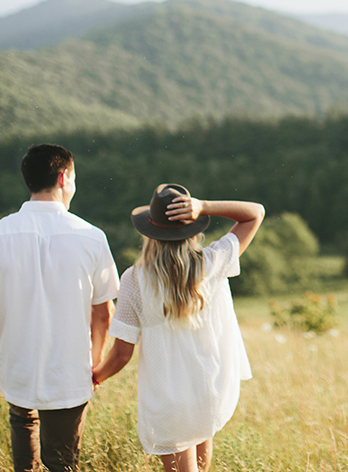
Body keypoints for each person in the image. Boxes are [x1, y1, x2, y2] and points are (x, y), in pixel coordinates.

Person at [0, 143, 120, 472]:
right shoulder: (92, 236)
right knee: (61, 462)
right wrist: (94, 363)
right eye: (73, 178)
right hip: (69, 372)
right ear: (63, 177)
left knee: (23, 432)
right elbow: (103, 314)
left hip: (18, 369)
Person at [93, 183, 264, 472]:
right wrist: (205, 205)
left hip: (170, 399)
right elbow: (254, 213)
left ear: (150, 232)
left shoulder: (135, 280)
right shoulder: (213, 261)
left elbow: (122, 354)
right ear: (193, 229)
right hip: (208, 388)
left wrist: (96, 376)